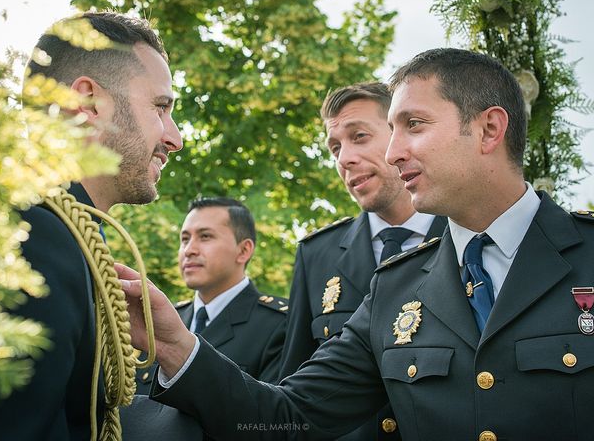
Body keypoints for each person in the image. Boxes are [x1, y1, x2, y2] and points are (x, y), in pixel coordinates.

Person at [121, 47, 594, 441]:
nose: (392, 152)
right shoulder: (396, 287)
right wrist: (176, 345)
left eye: (415, 125)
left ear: (490, 129)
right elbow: (288, 418)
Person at [0, 11, 183, 440]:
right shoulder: (32, 237)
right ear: (87, 103)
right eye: (160, 107)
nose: (175, 138)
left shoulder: (64, 234)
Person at [279, 82, 446, 440]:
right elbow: (292, 387)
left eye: (359, 137)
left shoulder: (463, 236)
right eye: (335, 147)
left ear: (400, 137)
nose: (343, 159)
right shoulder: (316, 254)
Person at [135, 197, 287, 394]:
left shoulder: (280, 324)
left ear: (243, 250)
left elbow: (273, 415)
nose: (189, 250)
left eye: (205, 236)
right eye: (184, 239)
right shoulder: (163, 319)